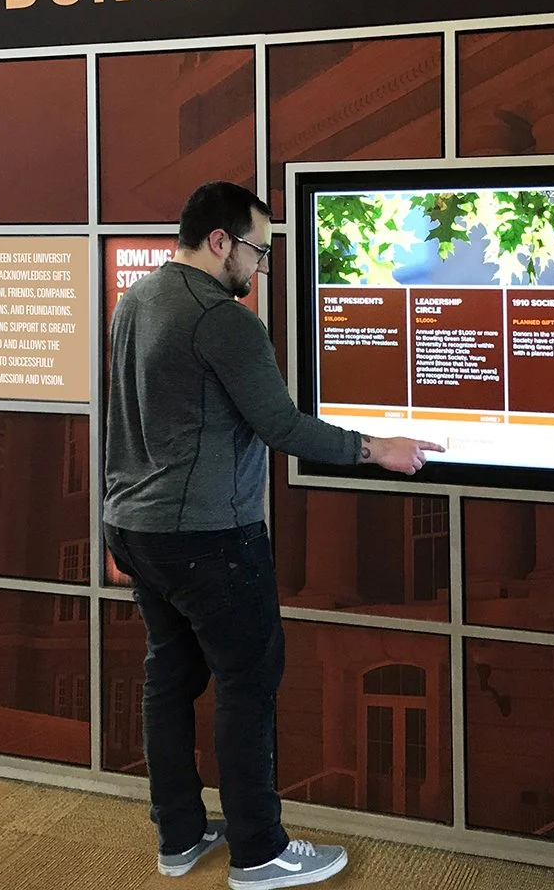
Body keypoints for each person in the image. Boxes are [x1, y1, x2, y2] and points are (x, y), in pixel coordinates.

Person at [102, 181, 443, 890]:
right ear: (221, 241)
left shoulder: (136, 300)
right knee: (247, 684)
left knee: (169, 678)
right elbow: (282, 426)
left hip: (137, 527)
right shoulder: (225, 320)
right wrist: (375, 447)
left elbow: (120, 417)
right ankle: (259, 852)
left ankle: (180, 836)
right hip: (208, 536)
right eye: (258, 250)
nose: (260, 268)